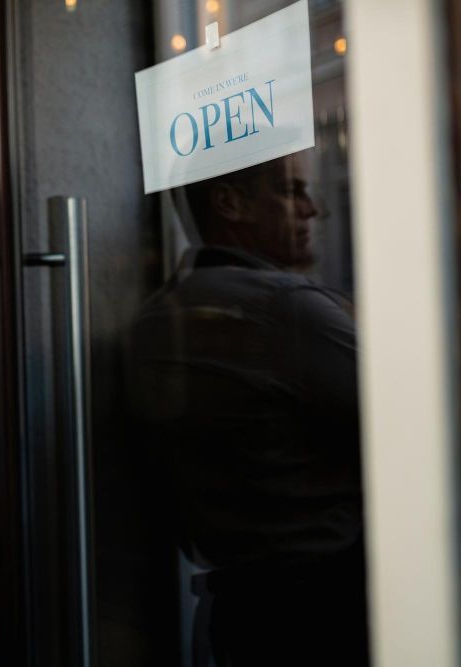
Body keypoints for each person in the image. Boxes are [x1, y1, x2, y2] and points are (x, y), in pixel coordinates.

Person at [126, 153, 368, 666]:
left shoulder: (161, 313)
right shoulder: (285, 307)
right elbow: (417, 416)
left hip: (236, 610)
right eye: (291, 191)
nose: (313, 209)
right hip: (322, 611)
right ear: (231, 203)